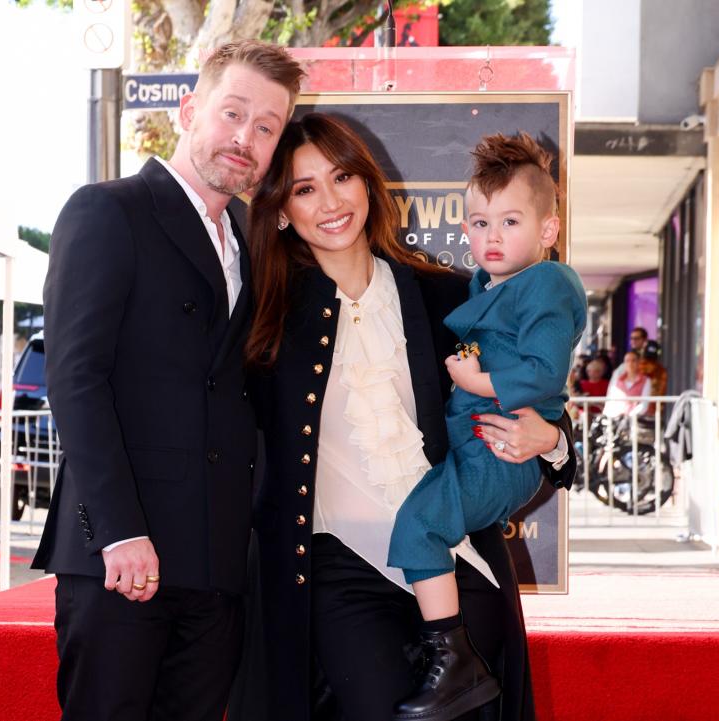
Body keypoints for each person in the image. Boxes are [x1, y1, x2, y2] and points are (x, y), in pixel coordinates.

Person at [244, 114, 576, 721]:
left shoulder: (446, 296)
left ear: (368, 184)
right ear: (283, 211)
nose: (331, 201)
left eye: (342, 176)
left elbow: (541, 401)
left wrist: (551, 441)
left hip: (457, 554)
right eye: (305, 187)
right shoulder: (265, 318)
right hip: (339, 567)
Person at [31, 41, 305, 721]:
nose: (246, 138)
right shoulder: (108, 211)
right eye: (232, 113)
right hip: (123, 554)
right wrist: (118, 530)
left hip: (215, 563)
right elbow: (75, 377)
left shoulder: (254, 237)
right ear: (190, 110)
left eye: (266, 126)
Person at [387, 132, 587, 719]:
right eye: (477, 223)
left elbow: (545, 372)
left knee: (419, 527)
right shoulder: (481, 284)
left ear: (547, 231)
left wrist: (483, 387)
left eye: (509, 222)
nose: (490, 237)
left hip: (498, 446)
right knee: (420, 526)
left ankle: (453, 662)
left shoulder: (548, 282)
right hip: (467, 442)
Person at [604, 351, 652, 417]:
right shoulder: (617, 381)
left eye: (633, 360)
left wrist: (629, 416)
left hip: (636, 421)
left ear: (638, 363)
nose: (630, 363)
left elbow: (644, 404)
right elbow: (611, 402)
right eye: (627, 361)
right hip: (617, 420)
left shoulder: (646, 381)